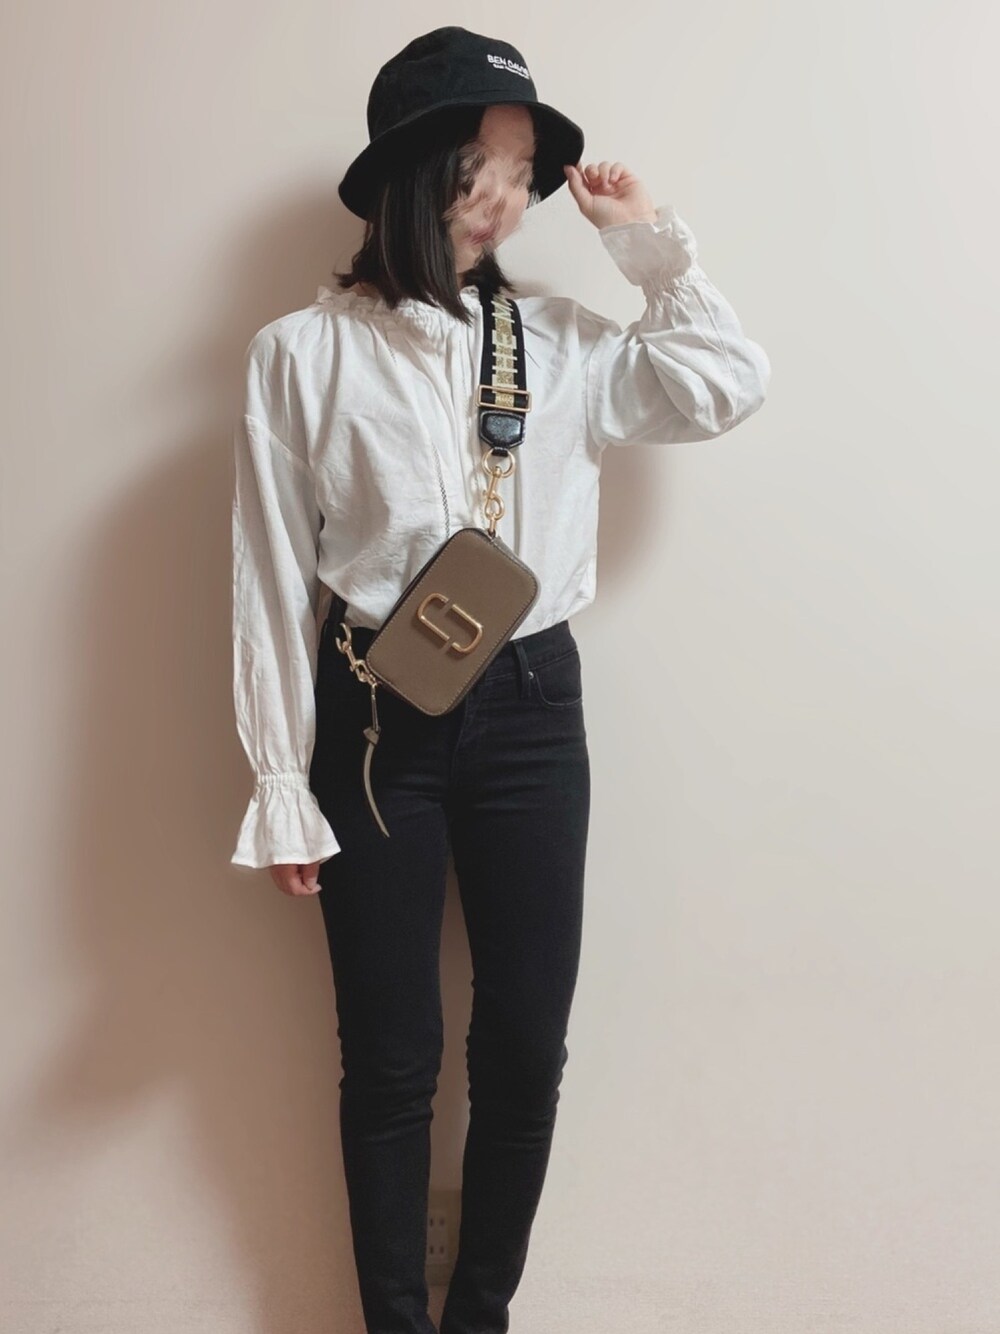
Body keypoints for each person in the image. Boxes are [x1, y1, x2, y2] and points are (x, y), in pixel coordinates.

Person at [229, 24, 770, 1334]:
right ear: (416, 166)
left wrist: (647, 246)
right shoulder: (301, 352)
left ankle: (480, 1316)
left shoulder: (563, 343)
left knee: (525, 1046)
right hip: (372, 719)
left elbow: (725, 386)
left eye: (527, 175)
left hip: (532, 710)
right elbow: (267, 573)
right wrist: (278, 776)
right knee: (392, 1057)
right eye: (489, 165)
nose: (510, 199)